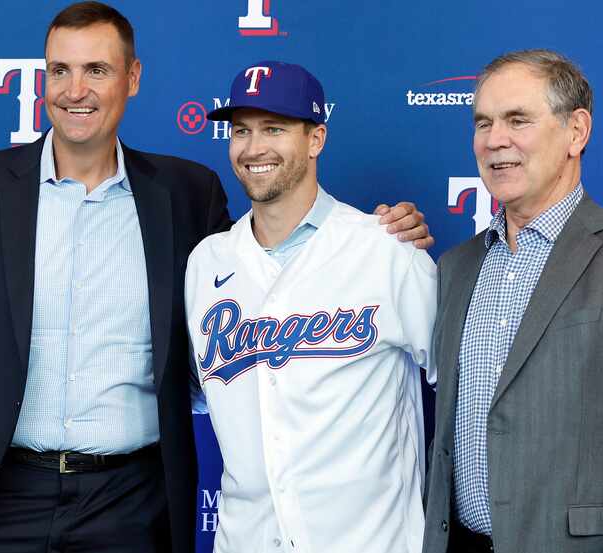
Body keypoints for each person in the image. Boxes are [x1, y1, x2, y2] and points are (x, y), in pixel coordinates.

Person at [0, 4, 432, 553]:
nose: (75, 90)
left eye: (96, 70)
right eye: (59, 70)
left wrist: (387, 232)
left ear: (133, 77)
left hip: (130, 502)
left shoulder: (186, 195)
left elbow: (262, 287)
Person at [422, 49, 603, 553]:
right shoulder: (455, 267)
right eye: (483, 123)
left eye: (517, 120)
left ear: (576, 132)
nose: (494, 140)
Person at [184, 61, 437, 553]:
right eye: (241, 131)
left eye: (274, 129)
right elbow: (200, 395)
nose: (253, 148)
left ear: (316, 139)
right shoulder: (205, 263)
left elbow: (463, 389)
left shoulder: (386, 249)